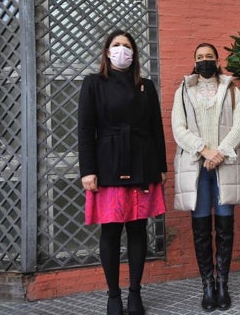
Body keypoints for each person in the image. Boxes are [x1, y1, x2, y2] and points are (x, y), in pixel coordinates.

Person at [78, 30, 167, 315]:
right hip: (107, 164)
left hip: (142, 162)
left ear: (134, 53)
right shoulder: (93, 84)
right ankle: (113, 296)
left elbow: (156, 129)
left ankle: (135, 294)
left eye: (127, 46)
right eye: (116, 45)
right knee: (111, 230)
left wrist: (161, 167)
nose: (121, 50)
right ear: (106, 52)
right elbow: (85, 129)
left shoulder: (146, 86)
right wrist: (87, 170)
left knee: (139, 229)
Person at [171, 42, 240, 311]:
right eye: (200, 57)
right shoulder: (183, 91)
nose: (205, 61)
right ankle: (207, 285)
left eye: (209, 57)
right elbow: (177, 129)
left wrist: (219, 153)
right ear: (194, 61)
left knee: (225, 228)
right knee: (202, 230)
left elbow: (239, 127)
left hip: (224, 166)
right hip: (196, 168)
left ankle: (223, 283)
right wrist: (204, 151)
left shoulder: (231, 91)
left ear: (217, 61)